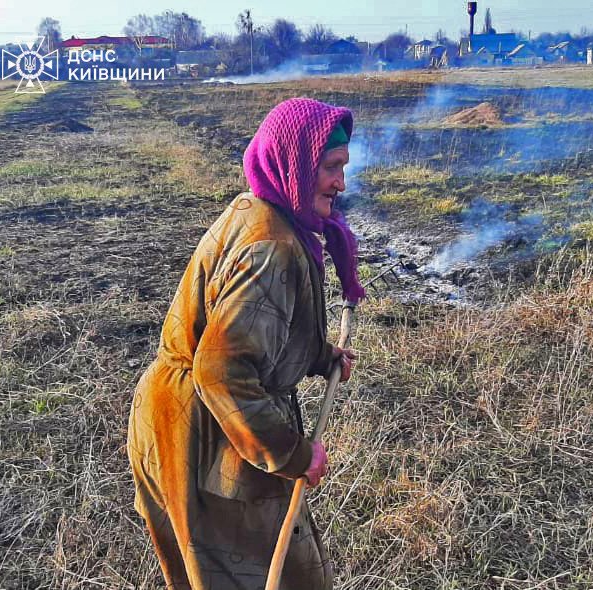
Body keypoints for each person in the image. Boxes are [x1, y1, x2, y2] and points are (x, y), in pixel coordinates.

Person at [127, 97, 365, 590]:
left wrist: (320, 355)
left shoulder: (258, 208)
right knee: (280, 578)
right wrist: (294, 454)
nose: (341, 184)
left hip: (177, 416)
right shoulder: (272, 248)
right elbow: (222, 371)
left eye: (344, 167)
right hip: (204, 438)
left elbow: (258, 323)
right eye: (332, 168)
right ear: (295, 164)